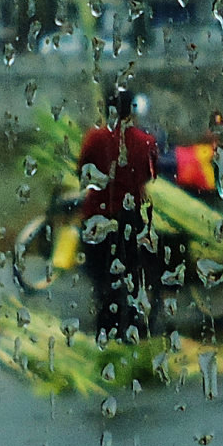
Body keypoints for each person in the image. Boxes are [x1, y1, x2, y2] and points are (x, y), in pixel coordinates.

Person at [77, 87, 159, 343]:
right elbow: (149, 175)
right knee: (132, 277)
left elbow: (82, 171)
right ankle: (134, 330)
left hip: (97, 219)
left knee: (103, 281)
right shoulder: (146, 142)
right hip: (130, 219)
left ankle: (106, 333)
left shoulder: (94, 138)